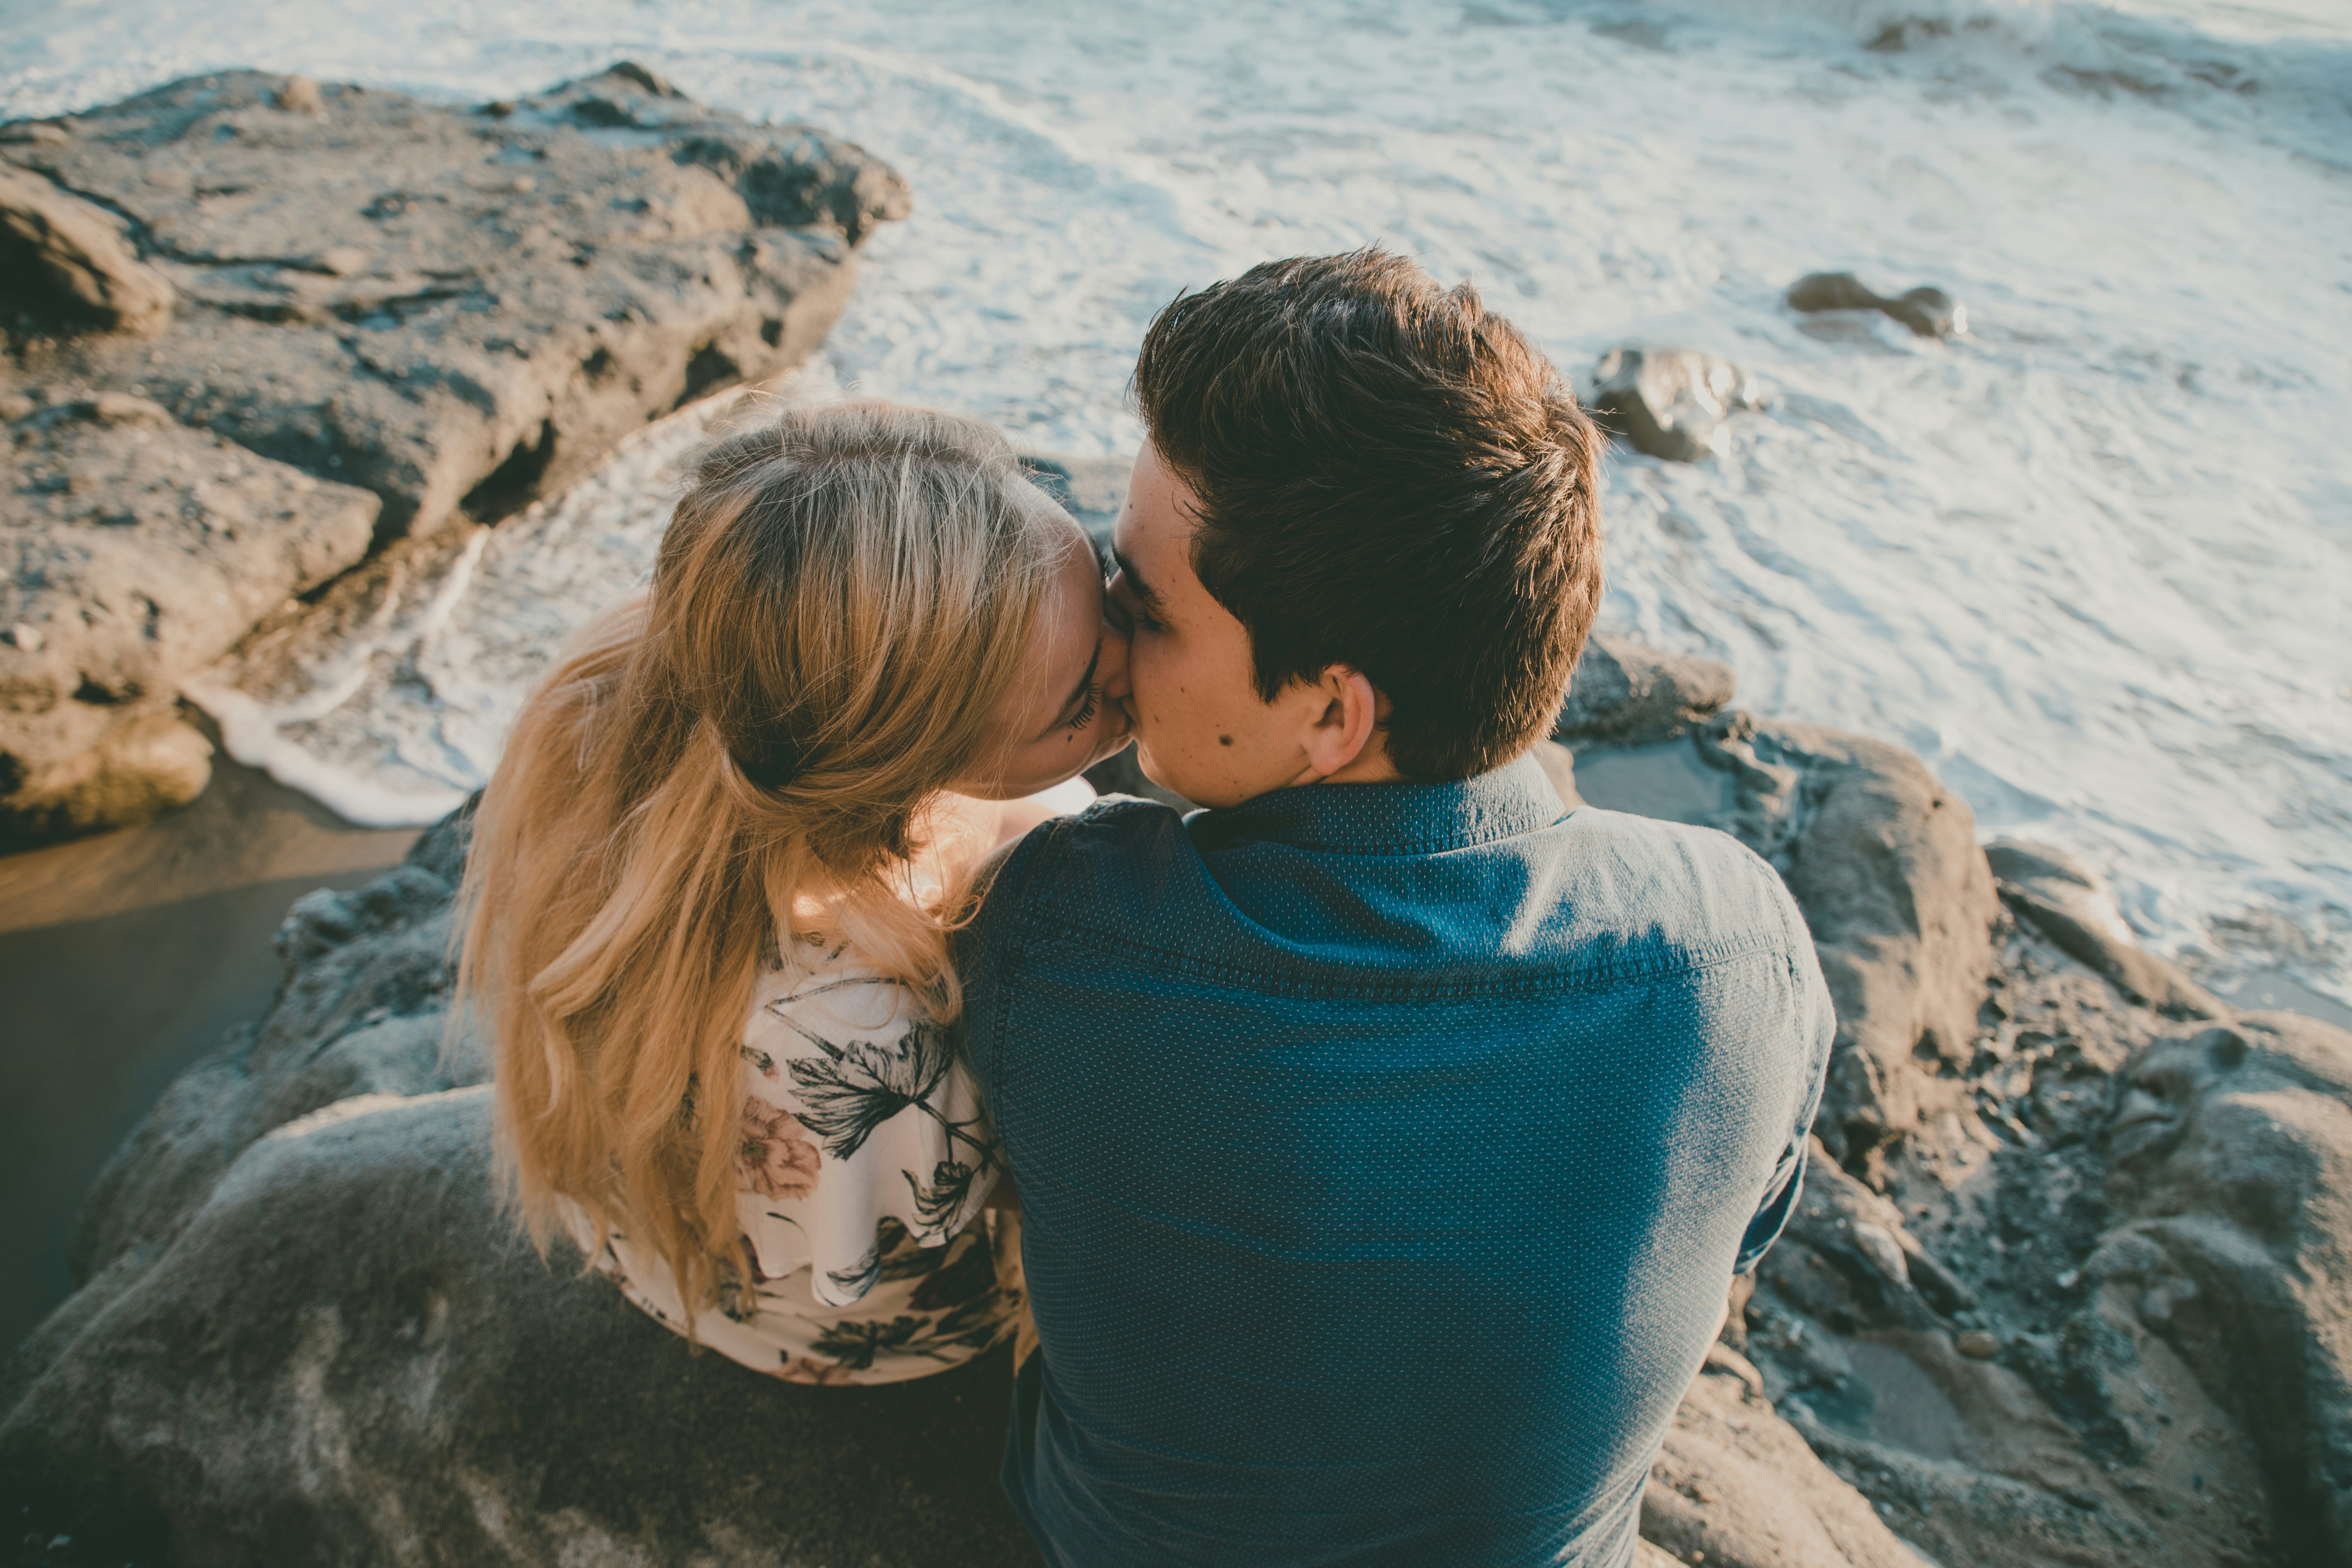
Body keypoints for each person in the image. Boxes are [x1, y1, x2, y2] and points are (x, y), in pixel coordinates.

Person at [955, 249, 1835, 1564]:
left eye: (1147, 606)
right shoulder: (1736, 944)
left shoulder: (1059, 926)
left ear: (1331, 713)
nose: (1110, 637)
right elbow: (1742, 1227)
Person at [455, 401, 1130, 1386]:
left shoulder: (625, 688)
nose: (1133, 661)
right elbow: (1013, 1211)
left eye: (1108, 593)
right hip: (851, 1325)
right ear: (901, 773)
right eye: (1080, 701)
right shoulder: (859, 1035)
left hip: (663, 1237)